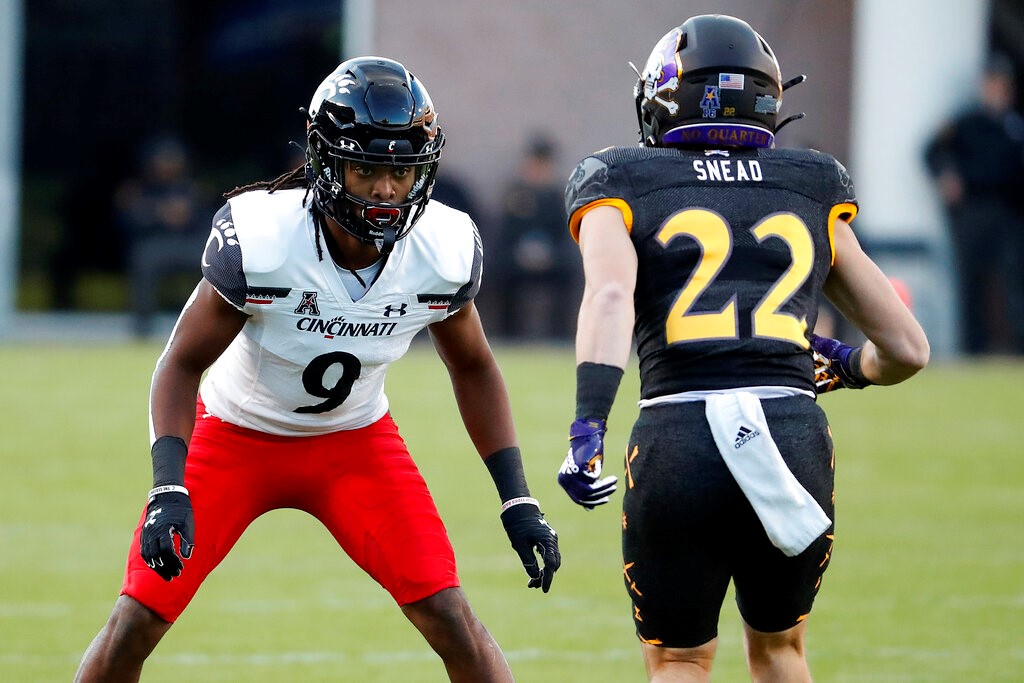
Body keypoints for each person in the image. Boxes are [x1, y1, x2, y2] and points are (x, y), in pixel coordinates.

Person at [74, 56, 560, 683]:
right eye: (367, 169)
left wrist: (517, 497)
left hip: (354, 442)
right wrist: (169, 485)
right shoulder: (266, 236)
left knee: (448, 611)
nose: (387, 189)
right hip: (233, 436)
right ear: (327, 164)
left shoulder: (441, 246)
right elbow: (180, 364)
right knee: (138, 617)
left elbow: (474, 367)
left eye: (401, 169)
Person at [556, 15, 929, 682]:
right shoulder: (810, 179)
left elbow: (610, 297)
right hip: (791, 430)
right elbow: (906, 346)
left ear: (666, 95)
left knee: (680, 658)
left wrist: (589, 421)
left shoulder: (618, 175)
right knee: (781, 650)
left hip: (678, 435)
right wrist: (847, 366)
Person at [924, 55, 1024, 355]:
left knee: (1014, 283)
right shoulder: (966, 122)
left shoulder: (1014, 126)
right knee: (971, 283)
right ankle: (973, 349)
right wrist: (946, 177)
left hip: (1008, 213)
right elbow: (932, 151)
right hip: (973, 214)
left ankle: (1017, 348)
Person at [114, 134, 210, 337]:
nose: (168, 165)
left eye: (173, 160)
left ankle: (206, 325)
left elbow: (207, 221)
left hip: (189, 244)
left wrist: (184, 214)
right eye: (163, 160)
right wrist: (159, 213)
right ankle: (142, 327)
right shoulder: (138, 188)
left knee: (214, 261)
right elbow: (129, 222)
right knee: (143, 258)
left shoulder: (191, 188)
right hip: (154, 244)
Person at [494, 134, 580, 341]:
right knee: (500, 271)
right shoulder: (514, 194)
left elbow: (566, 235)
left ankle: (560, 336)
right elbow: (505, 234)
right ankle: (508, 336)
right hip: (516, 259)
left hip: (552, 260)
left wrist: (548, 255)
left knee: (569, 272)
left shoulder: (559, 197)